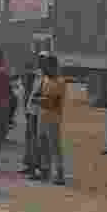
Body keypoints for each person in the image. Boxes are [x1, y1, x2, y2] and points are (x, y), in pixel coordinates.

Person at [32, 54, 68, 186]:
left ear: (53, 66)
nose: (45, 69)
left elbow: (54, 103)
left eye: (47, 66)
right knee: (43, 145)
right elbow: (38, 96)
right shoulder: (45, 79)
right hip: (42, 116)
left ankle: (59, 174)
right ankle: (45, 171)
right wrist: (42, 100)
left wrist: (40, 100)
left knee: (54, 147)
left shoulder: (60, 82)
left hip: (53, 119)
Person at [20, 55, 46, 176]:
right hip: (31, 111)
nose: (40, 61)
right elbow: (28, 91)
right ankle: (30, 165)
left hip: (38, 113)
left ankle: (37, 166)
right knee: (30, 139)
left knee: (36, 140)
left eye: (43, 59)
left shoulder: (44, 77)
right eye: (40, 59)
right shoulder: (36, 75)